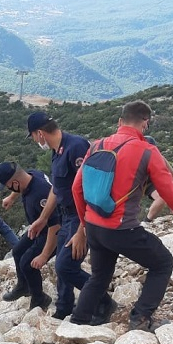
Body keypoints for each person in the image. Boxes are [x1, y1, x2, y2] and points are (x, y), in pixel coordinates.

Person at [70, 100, 173, 332]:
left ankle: (77, 323)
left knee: (99, 277)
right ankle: (140, 318)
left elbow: (76, 189)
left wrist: (85, 221)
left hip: (94, 226)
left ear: (120, 121)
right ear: (145, 124)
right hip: (122, 228)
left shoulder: (97, 145)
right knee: (163, 263)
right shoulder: (147, 151)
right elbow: (170, 191)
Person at [24, 111, 114, 321]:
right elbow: (57, 189)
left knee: (66, 265)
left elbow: (91, 188)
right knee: (62, 264)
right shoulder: (57, 152)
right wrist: (43, 219)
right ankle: (64, 307)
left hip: (80, 216)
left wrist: (83, 229)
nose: (35, 141)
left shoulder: (76, 147)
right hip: (65, 216)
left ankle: (103, 302)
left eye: (34, 137)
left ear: (39, 134)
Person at [0, 162, 57, 310]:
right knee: (17, 251)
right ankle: (24, 286)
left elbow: (56, 225)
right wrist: (11, 197)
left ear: (14, 182)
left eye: (9, 186)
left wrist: (44, 254)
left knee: (27, 263)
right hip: (37, 228)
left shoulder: (41, 194)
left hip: (52, 233)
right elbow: (20, 183)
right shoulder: (31, 175)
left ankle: (39, 298)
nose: (9, 189)